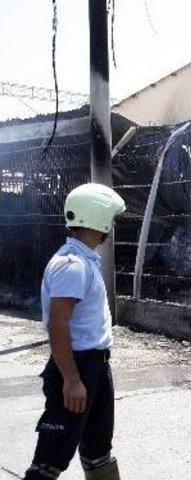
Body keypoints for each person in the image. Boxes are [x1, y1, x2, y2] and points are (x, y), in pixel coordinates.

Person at [24, 183, 126, 480]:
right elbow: (57, 324)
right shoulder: (73, 265)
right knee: (51, 459)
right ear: (99, 217)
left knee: (98, 452)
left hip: (95, 365)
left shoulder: (85, 259)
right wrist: (71, 380)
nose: (113, 225)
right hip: (77, 367)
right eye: (111, 218)